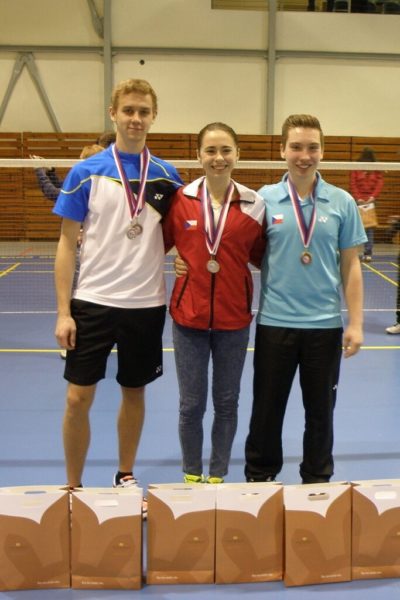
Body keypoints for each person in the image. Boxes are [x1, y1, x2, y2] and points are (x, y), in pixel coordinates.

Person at [52, 78, 183, 495]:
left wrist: (183, 256)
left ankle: (125, 472)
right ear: (114, 114)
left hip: (145, 305)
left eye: (144, 111)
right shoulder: (86, 171)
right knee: (78, 399)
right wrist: (63, 312)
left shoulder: (166, 176)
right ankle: (73, 485)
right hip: (92, 301)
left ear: (153, 117)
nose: (136, 118)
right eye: (128, 110)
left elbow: (182, 233)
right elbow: (65, 244)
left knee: (134, 391)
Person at [244, 114, 367, 485]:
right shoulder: (264, 199)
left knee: (320, 412)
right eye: (296, 146)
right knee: (266, 410)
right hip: (274, 324)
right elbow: (234, 246)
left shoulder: (342, 202)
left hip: (324, 327)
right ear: (282, 150)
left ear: (322, 151)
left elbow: (351, 265)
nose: (304, 155)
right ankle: (260, 475)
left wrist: (357, 324)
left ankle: (316, 478)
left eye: (312, 147)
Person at [163, 122, 266, 484]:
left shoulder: (255, 205)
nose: (218, 158)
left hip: (234, 321)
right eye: (210, 151)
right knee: (190, 406)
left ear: (237, 154)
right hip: (187, 319)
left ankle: (218, 475)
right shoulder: (181, 200)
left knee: (226, 404)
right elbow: (153, 245)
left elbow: (261, 256)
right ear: (198, 156)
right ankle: (192, 476)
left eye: (225, 150)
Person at [350, 146, 384, 262]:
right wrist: (358, 197)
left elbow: (379, 183)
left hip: (370, 202)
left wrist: (372, 197)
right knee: (353, 226)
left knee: (369, 229)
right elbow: (353, 182)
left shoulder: (376, 167)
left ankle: (368, 252)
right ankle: (351, 252)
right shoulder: (357, 166)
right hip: (358, 201)